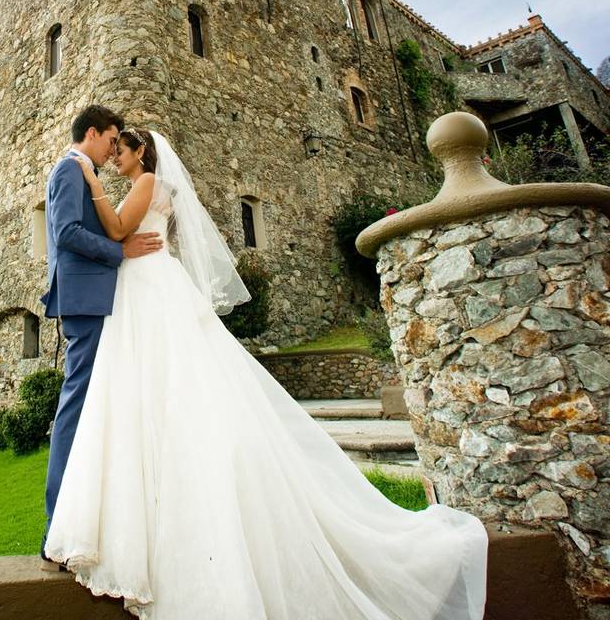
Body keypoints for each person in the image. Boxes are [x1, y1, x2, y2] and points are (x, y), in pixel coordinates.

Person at [43, 127, 488, 619]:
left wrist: (92, 180)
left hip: (147, 286)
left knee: (162, 384)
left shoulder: (146, 183)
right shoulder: (150, 185)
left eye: (119, 150)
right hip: (145, 287)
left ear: (139, 151)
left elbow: (119, 231)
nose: (113, 157)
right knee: (150, 389)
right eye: (110, 151)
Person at [40, 106, 163, 571]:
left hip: (93, 299)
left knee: (92, 408)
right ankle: (57, 526)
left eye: (120, 144)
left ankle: (88, 520)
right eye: (111, 139)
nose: (114, 148)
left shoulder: (84, 173)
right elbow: (67, 232)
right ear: (92, 133)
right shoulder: (71, 170)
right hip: (85, 301)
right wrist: (119, 251)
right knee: (76, 408)